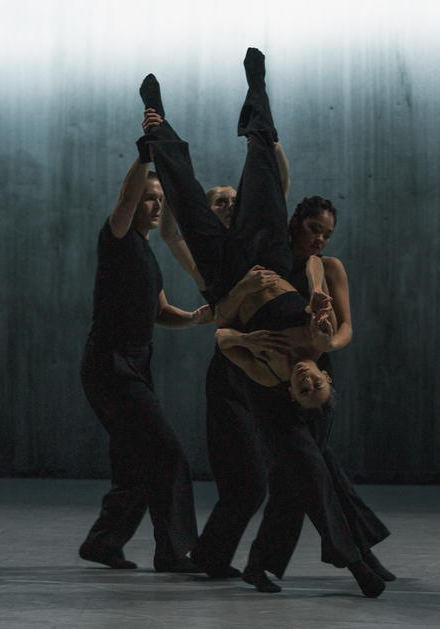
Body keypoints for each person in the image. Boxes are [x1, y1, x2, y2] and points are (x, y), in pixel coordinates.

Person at [138, 47, 385, 597]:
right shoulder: (313, 337)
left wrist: (244, 330)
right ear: (318, 375)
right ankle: (258, 98)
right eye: (312, 379)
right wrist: (317, 299)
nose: (305, 378)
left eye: (304, 384)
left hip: (228, 278)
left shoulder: (270, 374)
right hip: (266, 258)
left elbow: (225, 335)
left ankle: (157, 125)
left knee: (180, 182)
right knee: (263, 165)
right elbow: (281, 195)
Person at [244, 196, 394, 587]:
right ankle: (356, 560)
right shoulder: (268, 268)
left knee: (303, 474)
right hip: (272, 386)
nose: (320, 240)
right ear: (296, 223)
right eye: (315, 229)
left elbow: (346, 328)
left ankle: (261, 563)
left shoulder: (329, 268)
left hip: (317, 385)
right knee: (309, 471)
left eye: (327, 234)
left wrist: (328, 346)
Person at [78, 154, 213, 573]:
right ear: (134, 202)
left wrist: (194, 318)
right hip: (110, 364)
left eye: (160, 200)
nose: (156, 206)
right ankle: (173, 551)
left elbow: (159, 311)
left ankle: (103, 542)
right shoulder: (116, 237)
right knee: (167, 453)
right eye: (149, 198)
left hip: (136, 364)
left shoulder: (146, 253)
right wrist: (144, 156)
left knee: (137, 462)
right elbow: (124, 196)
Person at [155, 158, 286, 580]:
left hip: (271, 368)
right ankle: (210, 555)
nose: (230, 206)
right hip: (232, 368)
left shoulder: (260, 244)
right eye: (220, 202)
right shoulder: (206, 258)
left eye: (234, 200)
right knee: (248, 481)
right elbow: (171, 232)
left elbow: (279, 187)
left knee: (276, 476)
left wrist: (270, 139)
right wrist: (172, 178)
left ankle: (211, 555)